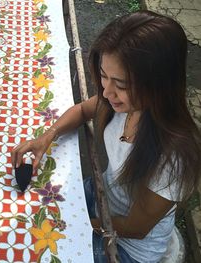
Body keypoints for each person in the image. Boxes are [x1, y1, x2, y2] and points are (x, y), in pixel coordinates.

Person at [11, 10, 201, 263]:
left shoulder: (172, 157)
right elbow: (82, 110)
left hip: (128, 248)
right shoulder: (121, 104)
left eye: (121, 85)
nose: (106, 92)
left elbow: (136, 228)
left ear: (159, 84)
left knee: (37, 246)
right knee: (23, 214)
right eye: (103, 75)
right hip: (100, 197)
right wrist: (47, 136)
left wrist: (75, 223)